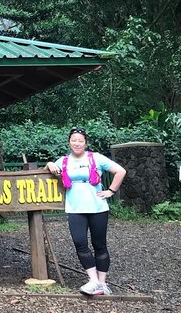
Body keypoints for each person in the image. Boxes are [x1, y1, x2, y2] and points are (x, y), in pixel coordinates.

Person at [46, 127, 126, 296]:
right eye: (73, 140)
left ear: (85, 143)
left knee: (99, 245)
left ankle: (102, 283)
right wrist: (50, 164)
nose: (77, 143)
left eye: (80, 141)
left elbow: (120, 171)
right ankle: (93, 280)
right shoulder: (64, 160)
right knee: (79, 242)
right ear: (69, 142)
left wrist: (111, 191)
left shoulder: (96, 158)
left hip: (97, 207)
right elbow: (51, 168)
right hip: (75, 208)